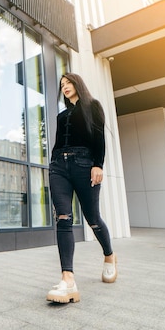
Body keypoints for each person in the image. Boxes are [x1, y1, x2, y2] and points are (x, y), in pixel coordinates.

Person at [46, 72, 117, 304]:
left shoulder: (92, 106)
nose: (65, 87)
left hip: (84, 164)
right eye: (62, 85)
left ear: (77, 84)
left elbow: (99, 139)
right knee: (63, 217)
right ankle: (68, 280)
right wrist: (53, 163)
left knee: (93, 218)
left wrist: (98, 165)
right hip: (59, 166)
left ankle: (109, 256)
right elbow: (58, 142)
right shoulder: (61, 115)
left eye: (68, 83)